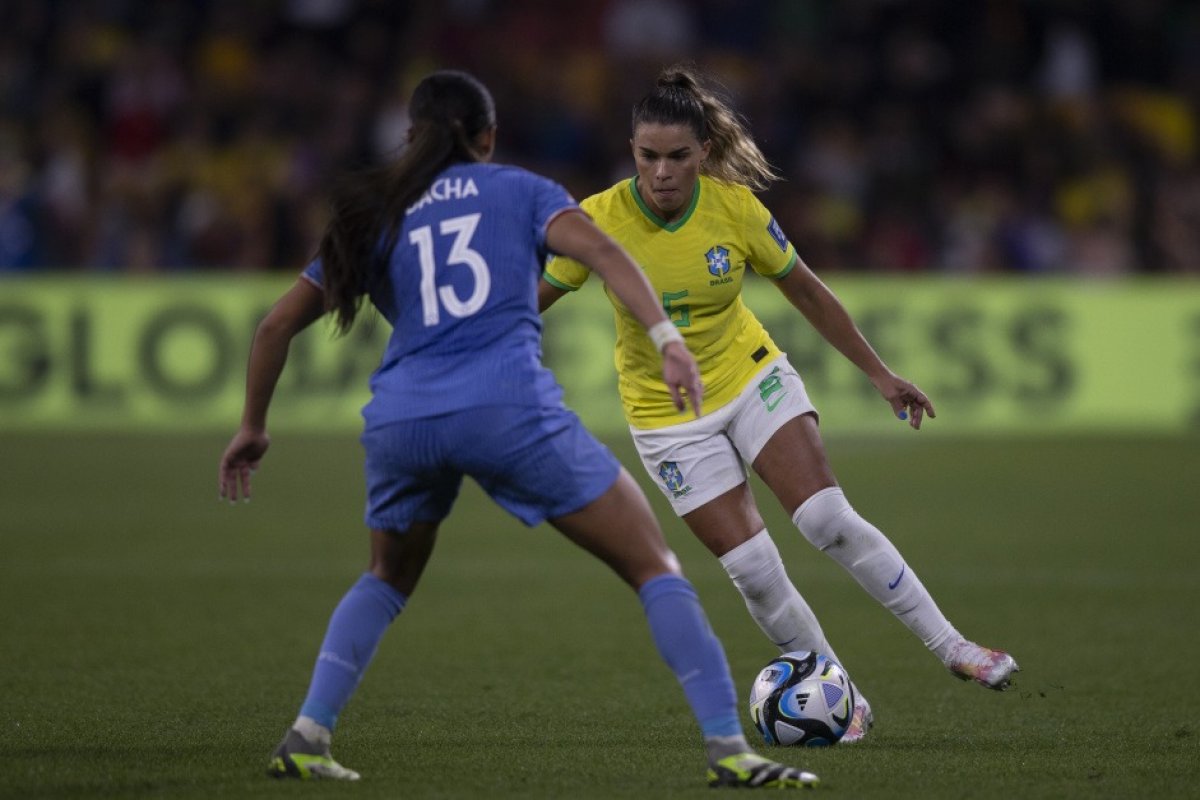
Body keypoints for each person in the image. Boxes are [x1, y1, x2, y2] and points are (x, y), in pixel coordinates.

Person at [218, 70, 817, 790]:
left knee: (385, 577)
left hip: (402, 420)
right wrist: (665, 336)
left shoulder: (371, 212)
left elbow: (277, 323)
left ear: (409, 138)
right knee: (654, 566)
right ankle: (731, 751)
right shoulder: (522, 190)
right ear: (488, 139)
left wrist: (253, 425)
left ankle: (306, 735)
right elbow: (603, 252)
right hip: (507, 409)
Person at [539, 64, 1020, 743]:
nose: (663, 171)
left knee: (827, 517)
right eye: (648, 156)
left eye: (679, 156)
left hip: (749, 376)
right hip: (666, 417)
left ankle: (956, 648)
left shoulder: (735, 209)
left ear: (704, 152)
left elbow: (809, 293)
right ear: (632, 152)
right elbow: (532, 301)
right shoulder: (599, 219)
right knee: (754, 573)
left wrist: (881, 375)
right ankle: (840, 696)